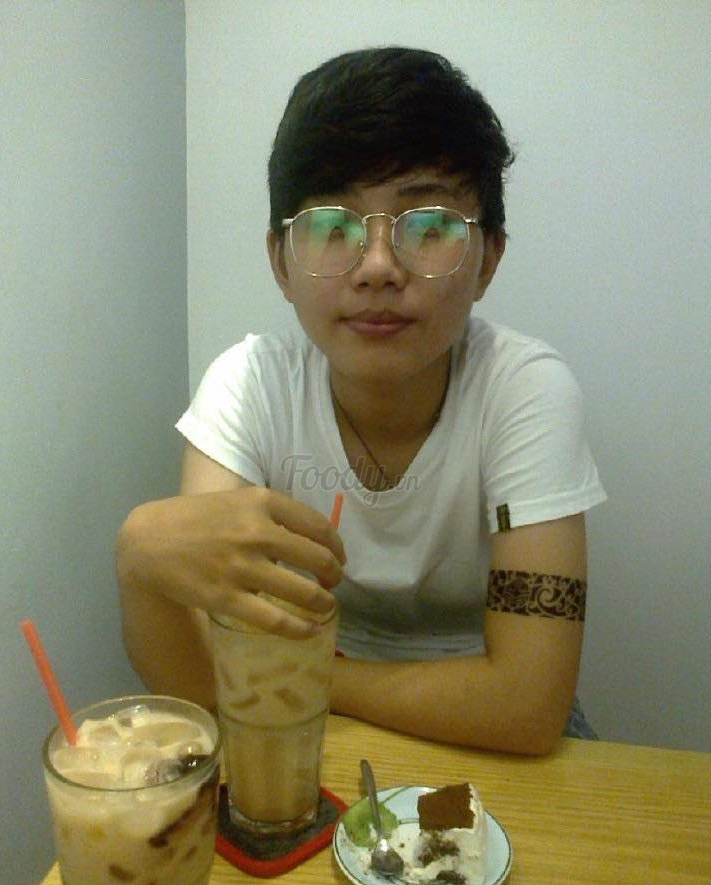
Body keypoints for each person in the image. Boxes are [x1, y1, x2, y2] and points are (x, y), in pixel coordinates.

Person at [116, 47, 606, 755]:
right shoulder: (249, 386)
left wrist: (311, 673)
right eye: (331, 226)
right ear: (281, 262)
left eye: (429, 226)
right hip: (302, 722)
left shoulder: (525, 392)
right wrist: (141, 561)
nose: (378, 267)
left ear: (489, 259)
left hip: (461, 728)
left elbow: (528, 704)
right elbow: (199, 681)